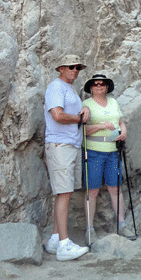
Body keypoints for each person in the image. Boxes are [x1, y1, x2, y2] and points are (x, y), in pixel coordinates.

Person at [44, 54, 90, 261]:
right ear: (61, 68)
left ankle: (55, 239)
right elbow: (58, 115)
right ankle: (64, 245)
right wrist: (79, 118)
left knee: (66, 192)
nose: (75, 70)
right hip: (60, 144)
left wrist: (85, 108)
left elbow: (75, 111)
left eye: (78, 67)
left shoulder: (70, 89)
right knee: (63, 193)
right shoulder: (56, 87)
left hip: (70, 145)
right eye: (71, 67)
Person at [82, 74, 135, 243]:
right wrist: (101, 126)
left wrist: (124, 132)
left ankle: (122, 225)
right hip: (94, 151)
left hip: (113, 150)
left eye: (102, 84)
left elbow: (120, 121)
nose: (99, 87)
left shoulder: (113, 102)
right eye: (96, 84)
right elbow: (84, 130)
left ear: (107, 87)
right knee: (92, 190)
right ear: (91, 87)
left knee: (116, 188)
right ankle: (89, 230)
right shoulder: (86, 104)